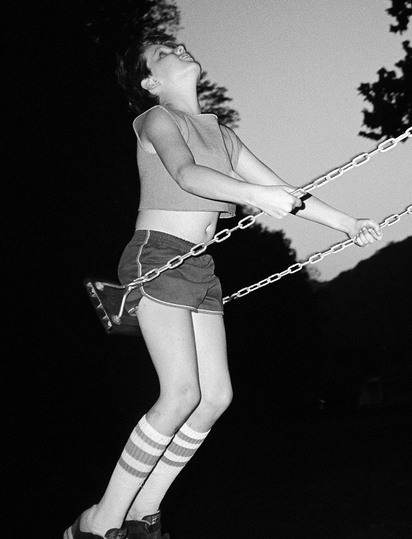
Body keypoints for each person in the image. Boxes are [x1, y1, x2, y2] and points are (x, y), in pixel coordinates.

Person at [64, 33, 382, 539]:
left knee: (214, 397)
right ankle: (98, 523)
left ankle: (144, 513)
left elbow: (283, 190)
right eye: (164, 53)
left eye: (177, 45)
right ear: (151, 82)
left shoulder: (222, 134)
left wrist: (347, 222)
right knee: (180, 393)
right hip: (158, 256)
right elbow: (187, 175)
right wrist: (256, 195)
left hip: (199, 265)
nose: (179, 50)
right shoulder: (156, 119)